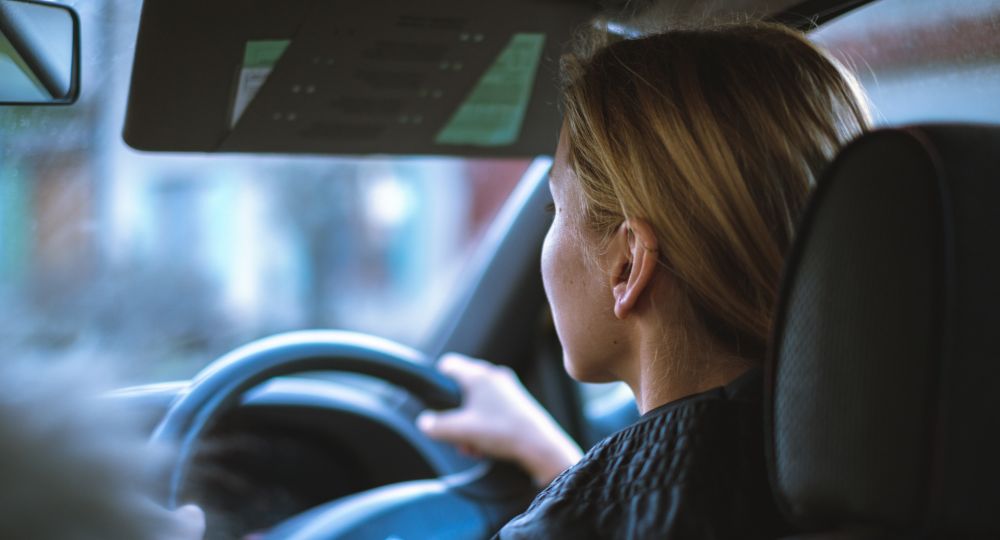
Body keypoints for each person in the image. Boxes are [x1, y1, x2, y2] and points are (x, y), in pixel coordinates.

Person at [417, 20, 870, 538]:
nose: (550, 227)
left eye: (554, 207)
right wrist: (553, 460)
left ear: (628, 264)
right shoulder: (884, 463)